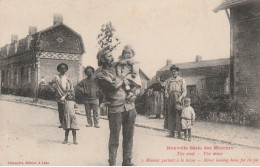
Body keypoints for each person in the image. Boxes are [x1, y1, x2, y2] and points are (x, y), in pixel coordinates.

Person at [96, 46, 137, 166]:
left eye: (112, 55)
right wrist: (123, 77)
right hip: (115, 108)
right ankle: (112, 162)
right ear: (102, 59)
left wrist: (133, 93)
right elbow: (114, 85)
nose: (112, 57)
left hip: (130, 106)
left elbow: (131, 81)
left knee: (129, 136)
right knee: (114, 137)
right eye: (109, 56)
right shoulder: (101, 75)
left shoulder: (119, 67)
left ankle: (127, 161)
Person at [162, 65, 187, 138]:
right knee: (170, 115)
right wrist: (166, 94)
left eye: (175, 71)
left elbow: (184, 91)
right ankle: (171, 133)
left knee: (178, 115)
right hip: (170, 99)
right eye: (172, 72)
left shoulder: (182, 80)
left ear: (178, 72)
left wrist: (181, 97)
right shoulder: (169, 80)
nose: (173, 73)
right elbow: (166, 90)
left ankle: (179, 134)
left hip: (178, 98)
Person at [52, 63, 74, 128]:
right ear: (58, 69)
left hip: (67, 95)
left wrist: (70, 93)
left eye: (64, 68)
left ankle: (67, 123)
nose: (62, 70)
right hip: (59, 95)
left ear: (66, 69)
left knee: (67, 110)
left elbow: (71, 86)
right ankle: (62, 123)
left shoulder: (68, 77)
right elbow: (51, 83)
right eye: (61, 68)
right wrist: (54, 89)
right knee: (61, 110)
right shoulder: (56, 77)